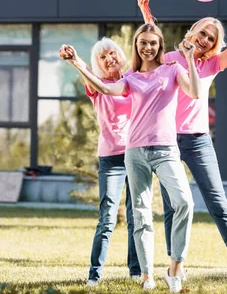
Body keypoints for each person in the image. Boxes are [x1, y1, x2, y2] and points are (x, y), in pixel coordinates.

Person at [137, 0, 227, 282]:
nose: (205, 39)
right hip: (167, 141)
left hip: (198, 140)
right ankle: (176, 267)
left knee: (218, 203)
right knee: (173, 206)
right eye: (202, 32)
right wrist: (145, 12)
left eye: (211, 38)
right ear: (192, 31)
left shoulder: (212, 64)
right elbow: (151, 42)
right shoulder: (170, 58)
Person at [61, 23, 201, 292]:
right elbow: (104, 88)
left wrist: (191, 59)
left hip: (166, 150)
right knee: (139, 215)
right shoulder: (131, 78)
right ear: (136, 46)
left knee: (185, 202)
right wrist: (78, 62)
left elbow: (194, 93)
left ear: (160, 45)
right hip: (133, 153)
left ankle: (174, 268)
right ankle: (146, 274)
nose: (147, 47)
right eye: (142, 43)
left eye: (152, 42)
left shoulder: (172, 69)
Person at [59, 38, 140, 286]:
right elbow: (85, 69)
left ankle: (136, 272)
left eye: (112, 53)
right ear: (98, 64)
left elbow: (147, 51)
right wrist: (75, 61)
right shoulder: (97, 84)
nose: (109, 59)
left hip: (136, 155)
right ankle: (94, 275)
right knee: (107, 218)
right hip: (111, 159)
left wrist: (146, 14)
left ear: (120, 55)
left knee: (136, 217)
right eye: (102, 57)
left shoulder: (131, 79)